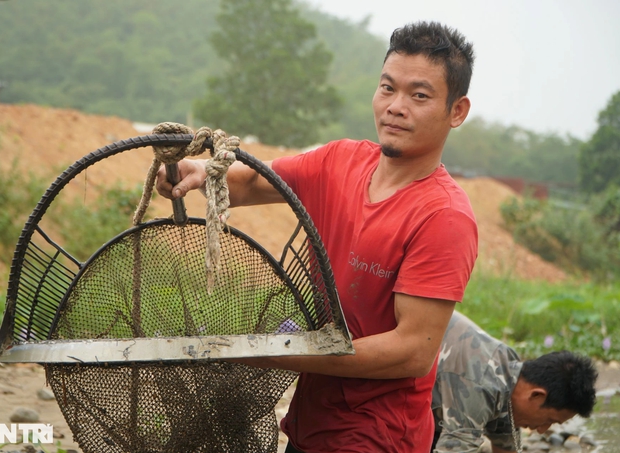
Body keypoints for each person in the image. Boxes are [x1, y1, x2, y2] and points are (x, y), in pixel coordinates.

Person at [157, 21, 478, 453]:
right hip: (310, 422)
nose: (396, 107)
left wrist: (269, 351)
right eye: (387, 88)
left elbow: (412, 351)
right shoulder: (340, 161)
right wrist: (201, 173)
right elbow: (252, 182)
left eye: (419, 96)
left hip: (376, 436)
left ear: (456, 111)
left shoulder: (444, 216)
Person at [431, 311, 598, 453]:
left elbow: (506, 445)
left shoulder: (512, 379)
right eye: (550, 420)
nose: (541, 430)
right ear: (536, 395)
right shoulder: (481, 385)